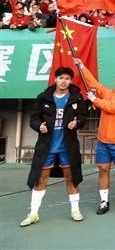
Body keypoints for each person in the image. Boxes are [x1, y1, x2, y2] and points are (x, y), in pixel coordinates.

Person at [21, 67, 89, 226]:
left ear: (71, 80)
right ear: (55, 79)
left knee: (71, 178)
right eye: (61, 78)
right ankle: (33, 213)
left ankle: (75, 210)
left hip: (68, 146)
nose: (64, 81)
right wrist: (39, 126)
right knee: (41, 179)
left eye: (67, 78)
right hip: (47, 146)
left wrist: (77, 123)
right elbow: (34, 118)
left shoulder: (76, 97)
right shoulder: (43, 97)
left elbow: (83, 117)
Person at [76, 57, 115, 215]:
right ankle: (104, 201)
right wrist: (82, 66)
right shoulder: (109, 92)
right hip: (103, 141)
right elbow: (94, 84)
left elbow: (111, 107)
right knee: (103, 170)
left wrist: (94, 99)